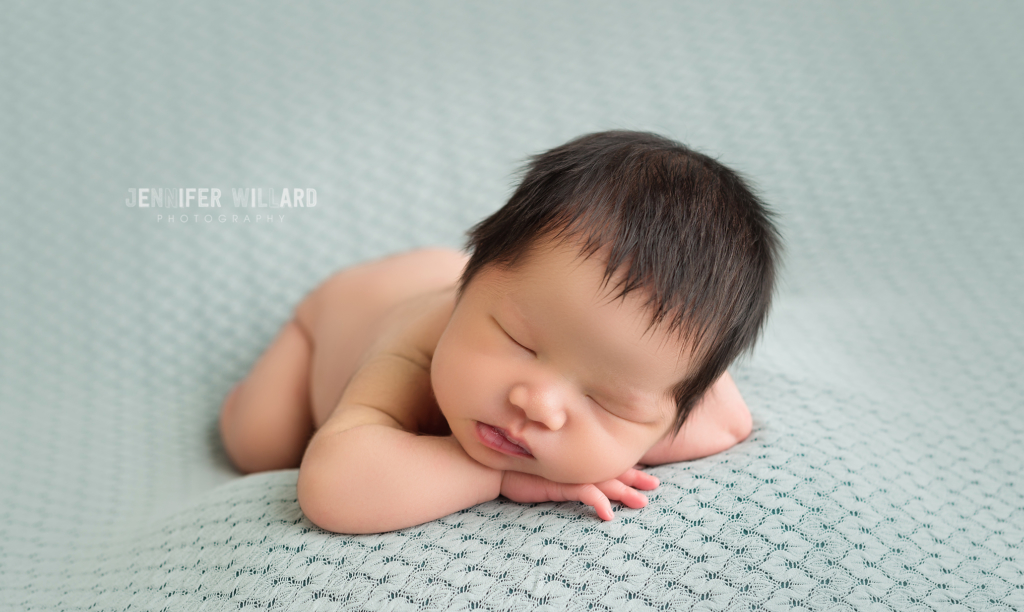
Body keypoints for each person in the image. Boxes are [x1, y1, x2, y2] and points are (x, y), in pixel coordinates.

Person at [219, 131, 780, 534]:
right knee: (260, 442)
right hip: (345, 311)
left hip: (503, 287)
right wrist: (498, 478)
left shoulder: (635, 381)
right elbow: (334, 489)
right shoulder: (417, 351)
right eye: (520, 343)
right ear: (473, 282)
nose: (538, 405)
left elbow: (729, 421)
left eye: (605, 400)